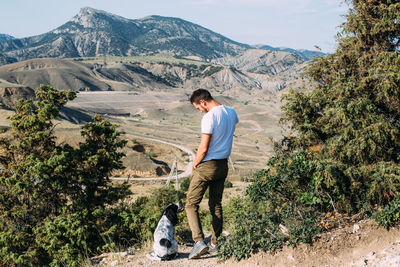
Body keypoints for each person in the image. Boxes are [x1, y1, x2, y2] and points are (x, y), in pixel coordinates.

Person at [186, 89, 238, 259]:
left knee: (191, 204)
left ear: (202, 102)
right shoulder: (231, 112)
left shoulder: (208, 117)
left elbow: (204, 147)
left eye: (197, 108)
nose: (199, 111)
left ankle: (199, 242)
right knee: (215, 204)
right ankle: (215, 243)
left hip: (207, 165)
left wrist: (195, 164)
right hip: (223, 164)